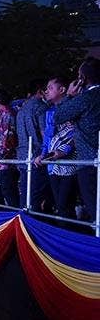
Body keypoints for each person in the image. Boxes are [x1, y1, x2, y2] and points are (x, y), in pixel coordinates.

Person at [54, 58, 100, 223]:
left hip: (89, 161)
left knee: (95, 209)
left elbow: (59, 116)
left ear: (82, 79)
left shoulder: (86, 98)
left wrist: (69, 95)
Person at [35, 75, 78, 219]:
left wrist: (63, 150)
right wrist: (43, 155)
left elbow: (76, 135)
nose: (46, 91)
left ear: (62, 90)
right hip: (52, 165)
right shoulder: (50, 112)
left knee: (65, 205)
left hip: (71, 165)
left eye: (50, 88)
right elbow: (47, 138)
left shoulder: (74, 107)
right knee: (60, 206)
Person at [16, 79, 49, 211]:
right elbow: (45, 133)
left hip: (23, 157)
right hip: (38, 157)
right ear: (40, 91)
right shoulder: (41, 107)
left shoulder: (21, 110)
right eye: (46, 90)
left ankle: (23, 221)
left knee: (25, 197)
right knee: (37, 198)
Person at [0, 88, 20, 207]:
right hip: (3, 160)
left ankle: (16, 215)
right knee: (7, 190)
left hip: (7, 161)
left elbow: (7, 139)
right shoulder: (2, 114)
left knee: (9, 191)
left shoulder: (7, 114)